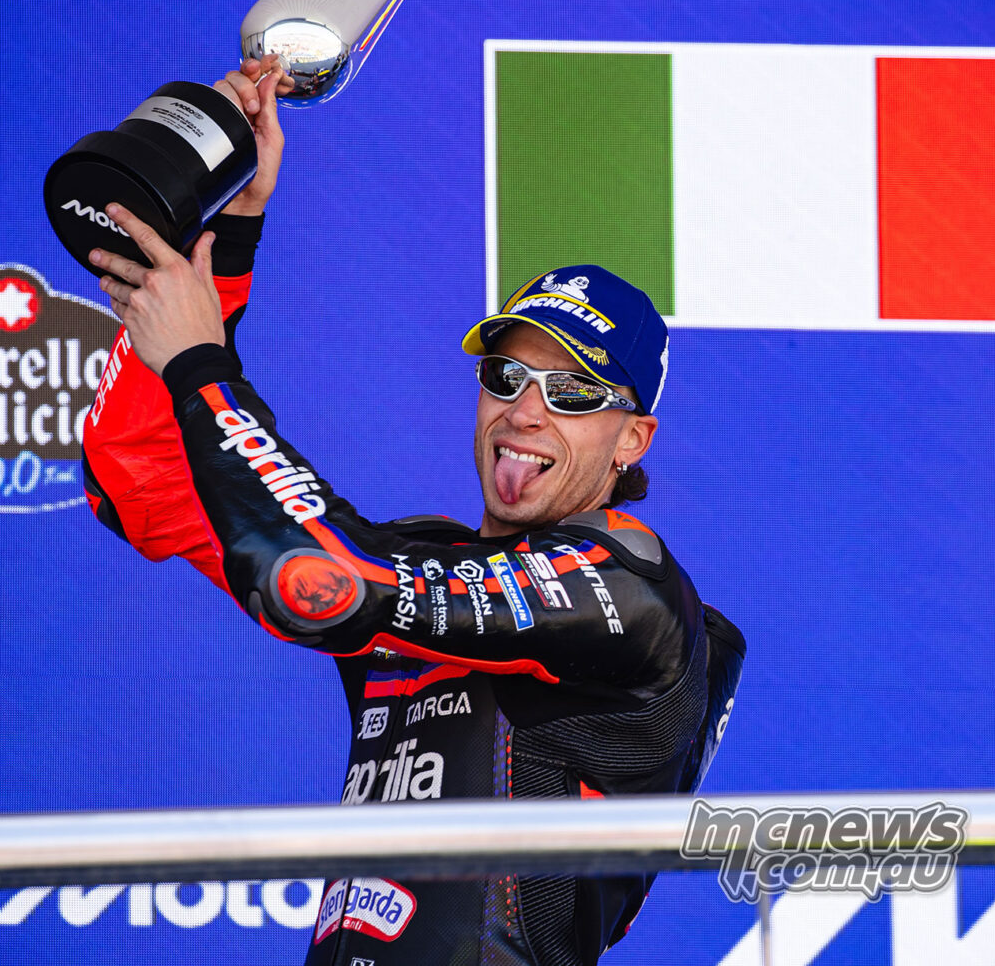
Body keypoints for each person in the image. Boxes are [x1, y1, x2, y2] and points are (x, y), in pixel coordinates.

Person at [82, 58, 746, 966]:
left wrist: (201, 365)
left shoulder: (630, 596)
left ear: (632, 440)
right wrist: (224, 243)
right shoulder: (414, 566)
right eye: (505, 377)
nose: (524, 410)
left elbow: (315, 582)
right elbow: (142, 488)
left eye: (573, 393)